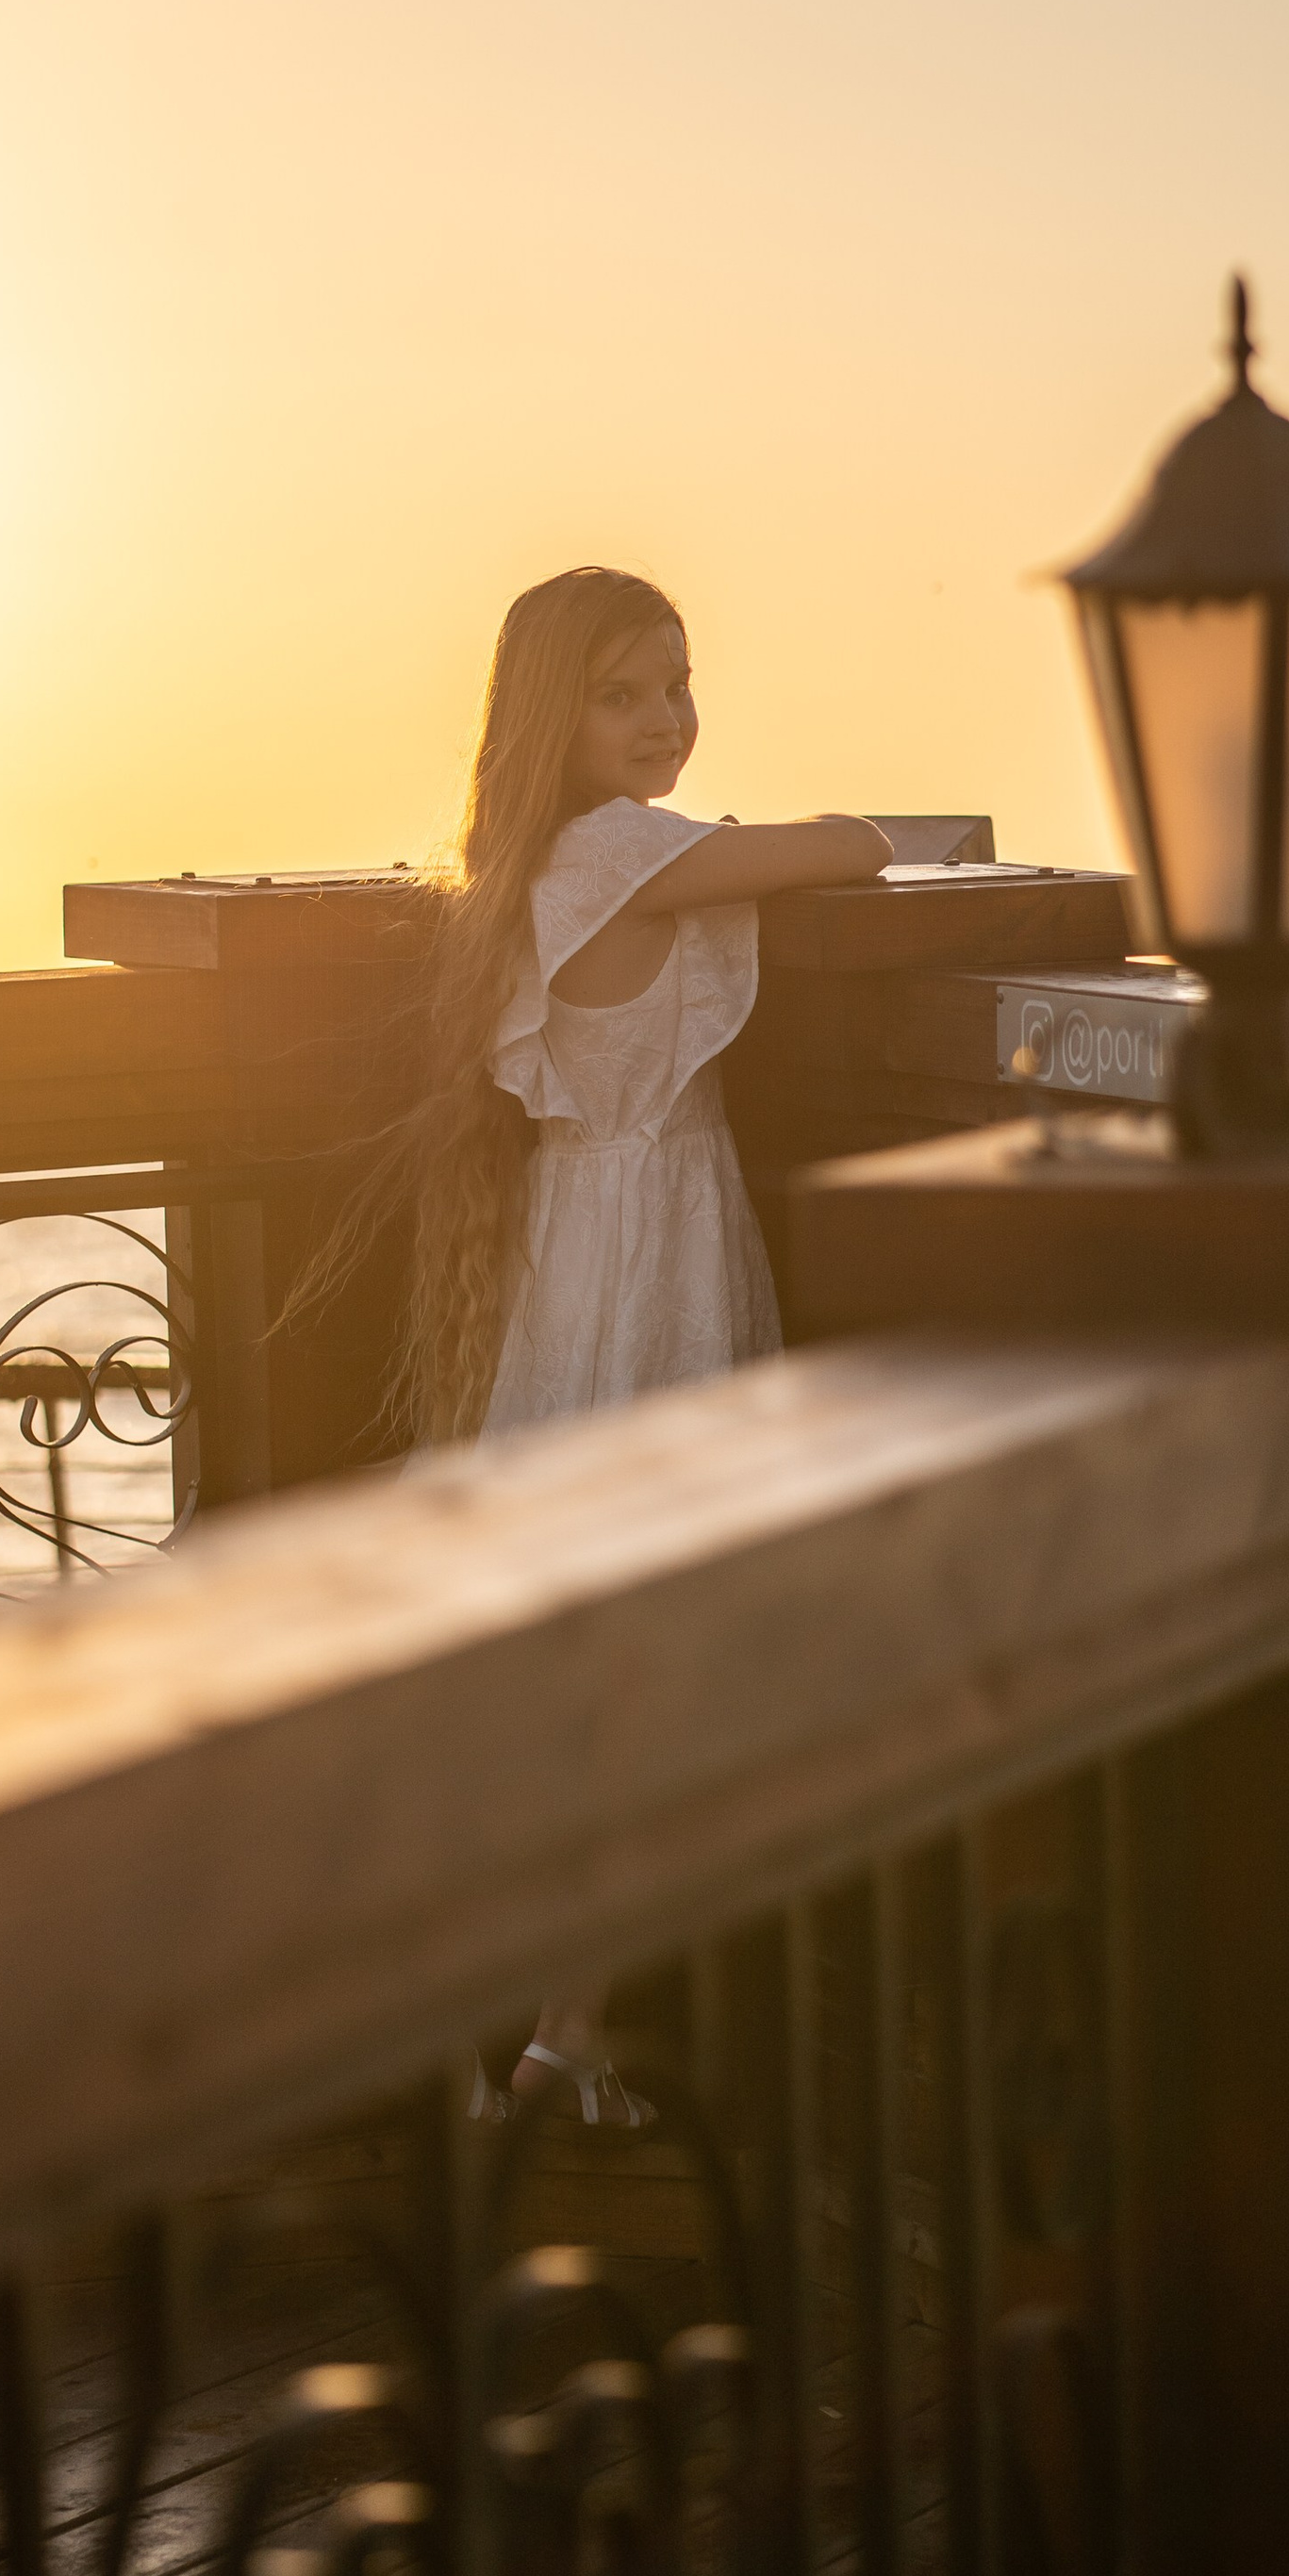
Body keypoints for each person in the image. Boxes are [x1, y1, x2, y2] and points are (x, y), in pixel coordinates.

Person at [387, 565, 891, 2122]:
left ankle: (534, 2035)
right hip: (650, 1255)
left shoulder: (540, 862)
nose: (665, 719)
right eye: (623, 695)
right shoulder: (617, 854)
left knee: (590, 1651)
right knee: (651, 1649)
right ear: (555, 715)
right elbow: (856, 848)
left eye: (676, 686)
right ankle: (556, 2035)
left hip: (579, 1249)